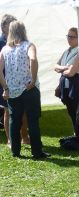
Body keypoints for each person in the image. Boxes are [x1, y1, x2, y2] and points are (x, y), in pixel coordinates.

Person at [0, 20, 49, 158]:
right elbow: (33, 59)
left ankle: (15, 151)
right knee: (32, 121)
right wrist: (33, 80)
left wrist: (5, 87)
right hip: (29, 89)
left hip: (13, 91)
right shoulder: (29, 45)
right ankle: (37, 152)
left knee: (14, 121)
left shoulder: (5, 49)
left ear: (10, 32)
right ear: (24, 31)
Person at [0, 14, 30, 147]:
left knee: (23, 110)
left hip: (20, 81)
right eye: (11, 24)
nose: (14, 27)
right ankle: (11, 139)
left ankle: (24, 137)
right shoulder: (1, 42)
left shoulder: (18, 40)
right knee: (8, 110)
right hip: (4, 82)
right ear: (4, 26)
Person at [54, 27, 79, 136]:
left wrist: (64, 69)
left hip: (74, 85)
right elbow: (55, 66)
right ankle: (77, 133)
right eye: (68, 36)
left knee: (76, 111)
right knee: (71, 110)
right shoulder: (66, 51)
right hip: (65, 85)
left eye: (72, 37)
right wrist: (66, 67)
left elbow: (71, 73)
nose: (69, 39)